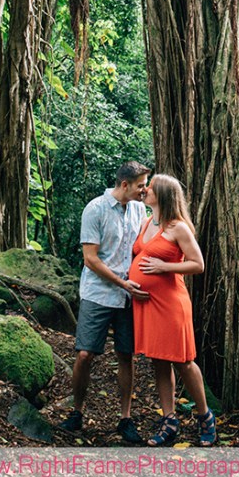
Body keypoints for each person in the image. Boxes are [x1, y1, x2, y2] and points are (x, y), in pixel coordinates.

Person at [59, 161, 151, 444]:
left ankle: (125, 418)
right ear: (125, 185)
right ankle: (76, 411)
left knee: (126, 354)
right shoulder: (95, 209)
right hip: (99, 293)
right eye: (140, 185)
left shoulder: (139, 209)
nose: (144, 190)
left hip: (127, 295)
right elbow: (91, 258)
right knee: (86, 353)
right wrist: (122, 283)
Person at [129, 173, 216, 447]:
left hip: (171, 303)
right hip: (147, 303)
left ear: (163, 195)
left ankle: (205, 416)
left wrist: (163, 267)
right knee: (158, 359)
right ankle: (169, 420)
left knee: (183, 360)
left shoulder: (179, 228)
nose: (145, 191)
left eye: (150, 188)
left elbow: (197, 264)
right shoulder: (147, 222)